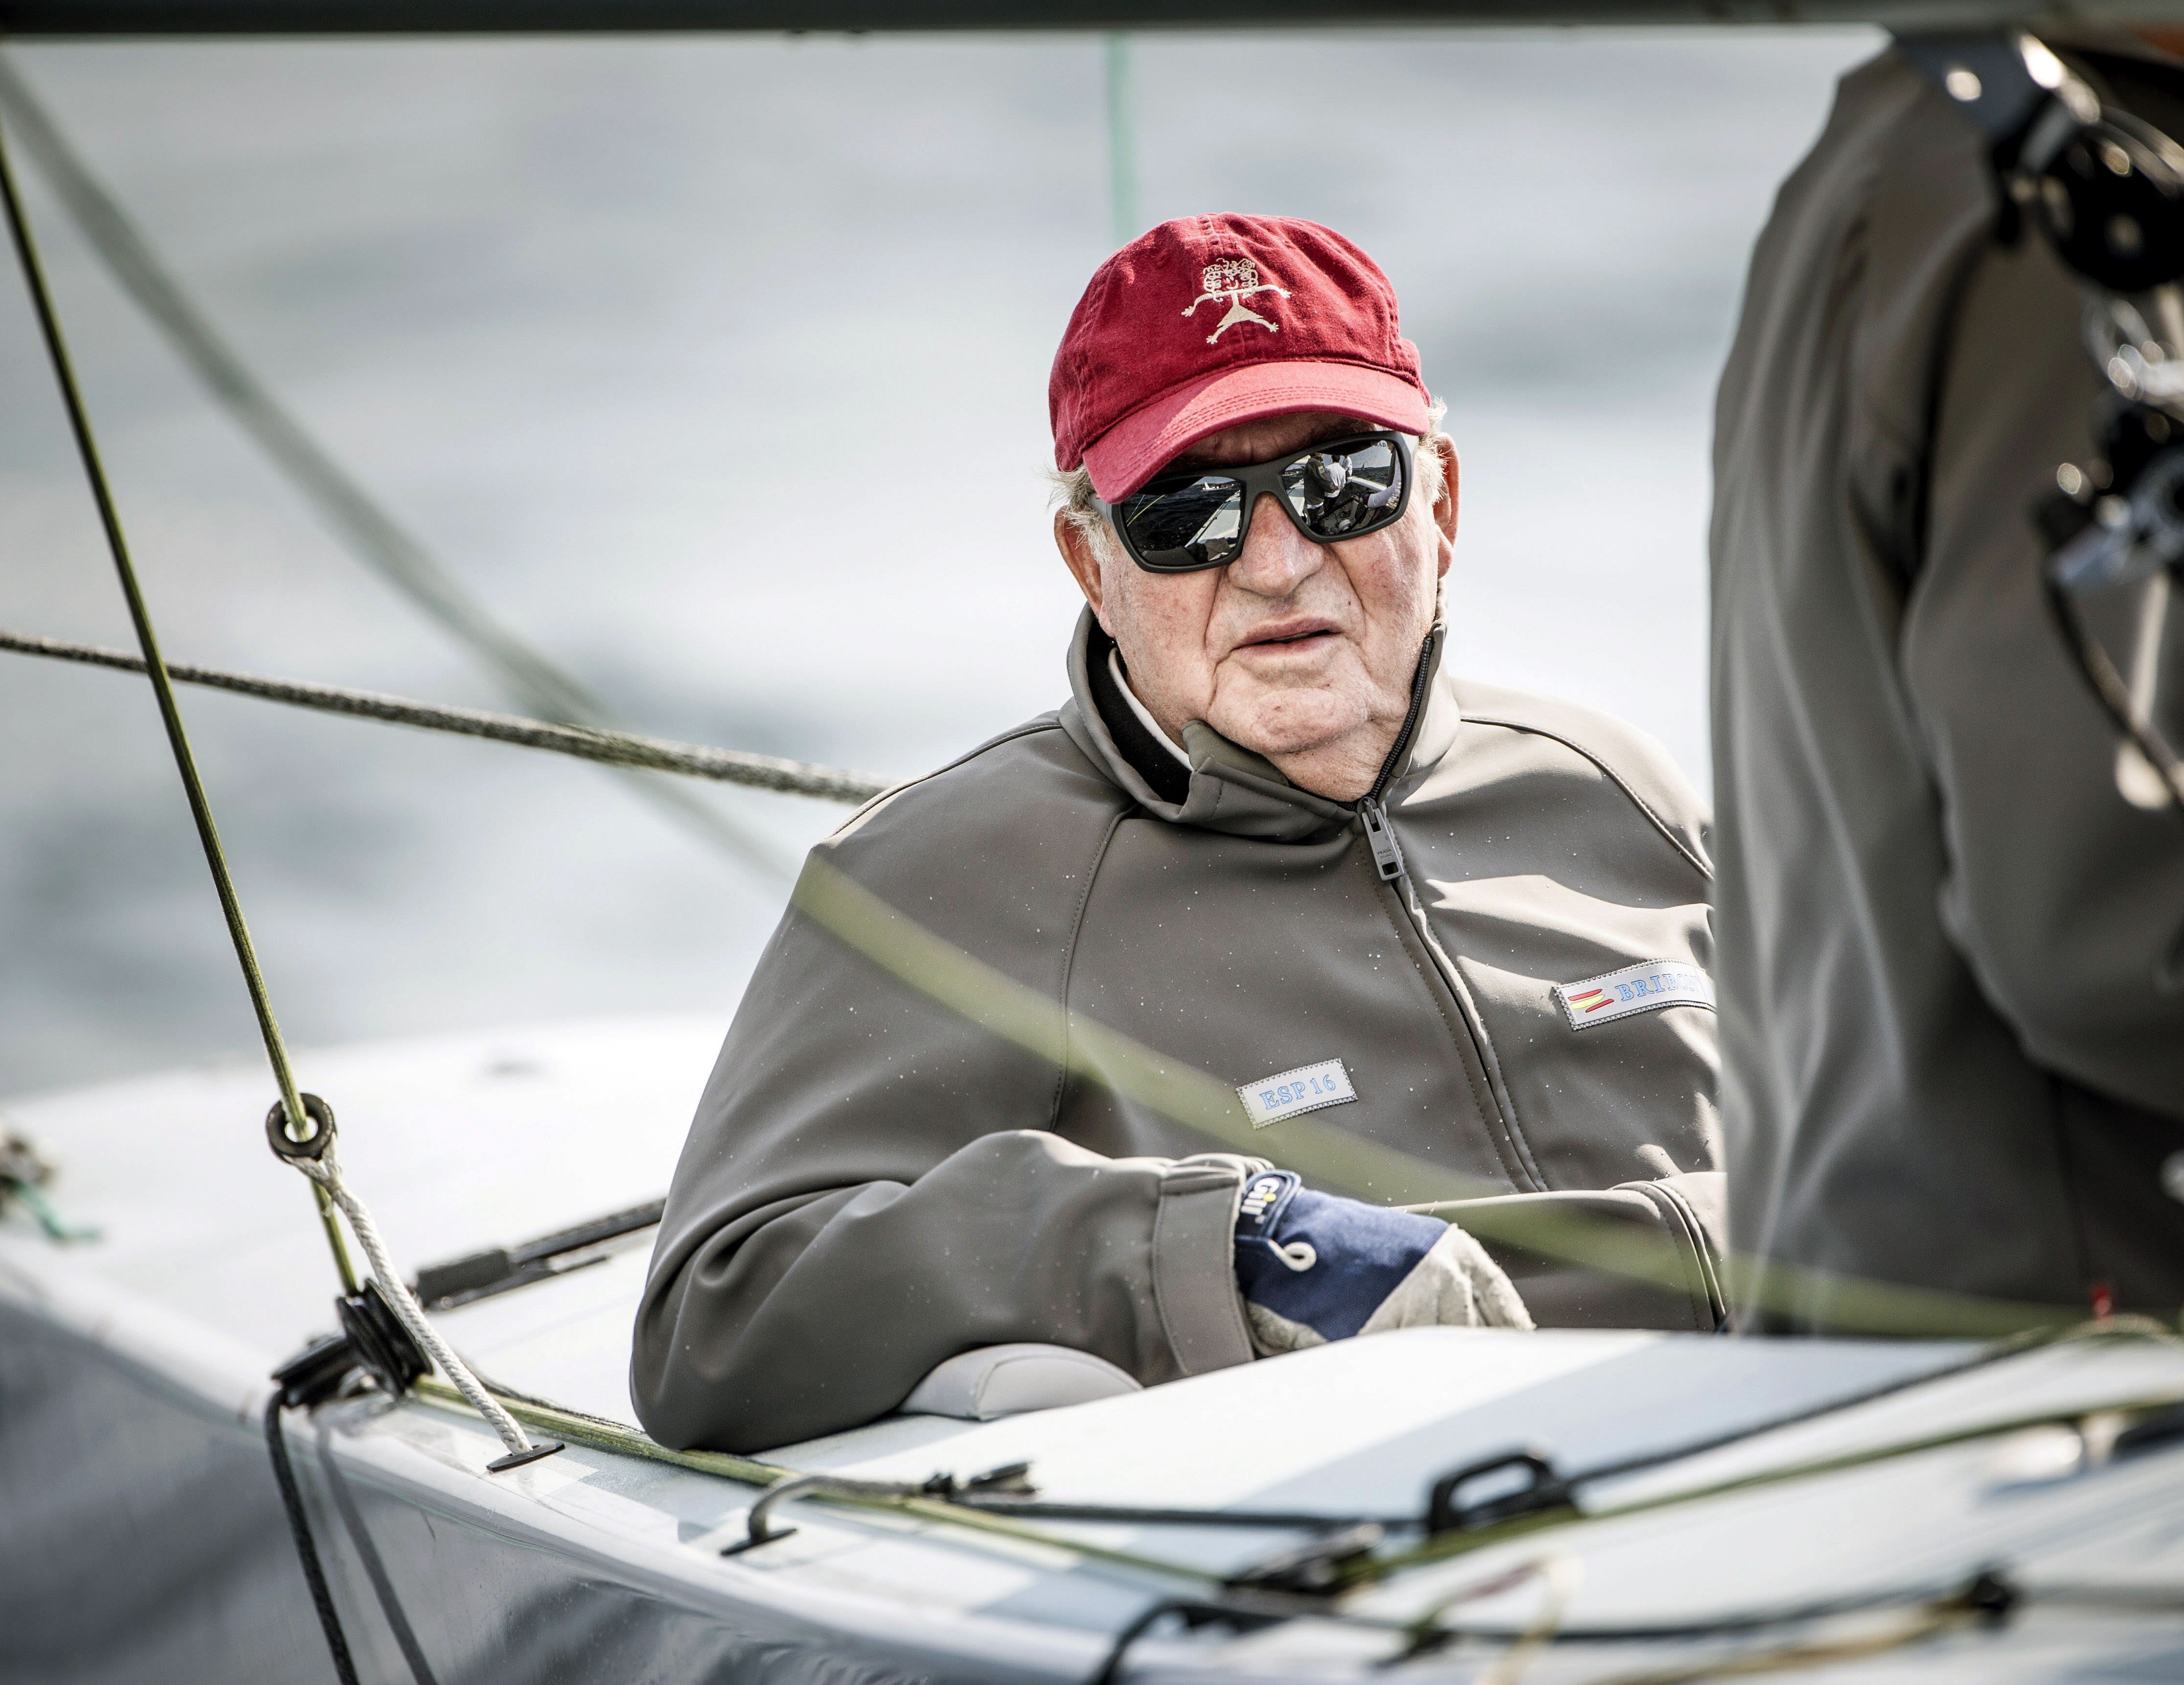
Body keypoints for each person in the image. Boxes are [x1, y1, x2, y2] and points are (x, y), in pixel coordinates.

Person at [636, 214, 1724, 1453]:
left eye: (1341, 483)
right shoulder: (945, 878)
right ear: (1091, 567)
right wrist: (1230, 1247)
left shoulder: (1614, 780)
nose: (1275, 562)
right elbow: (713, 1321)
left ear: (1445, 503)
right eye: (1187, 514)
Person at [1709, 20, 2184, 1332]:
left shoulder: (1905, 159)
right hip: (2122, 1355)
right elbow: (2138, 940)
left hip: (1950, 1325)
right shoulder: (2050, 217)